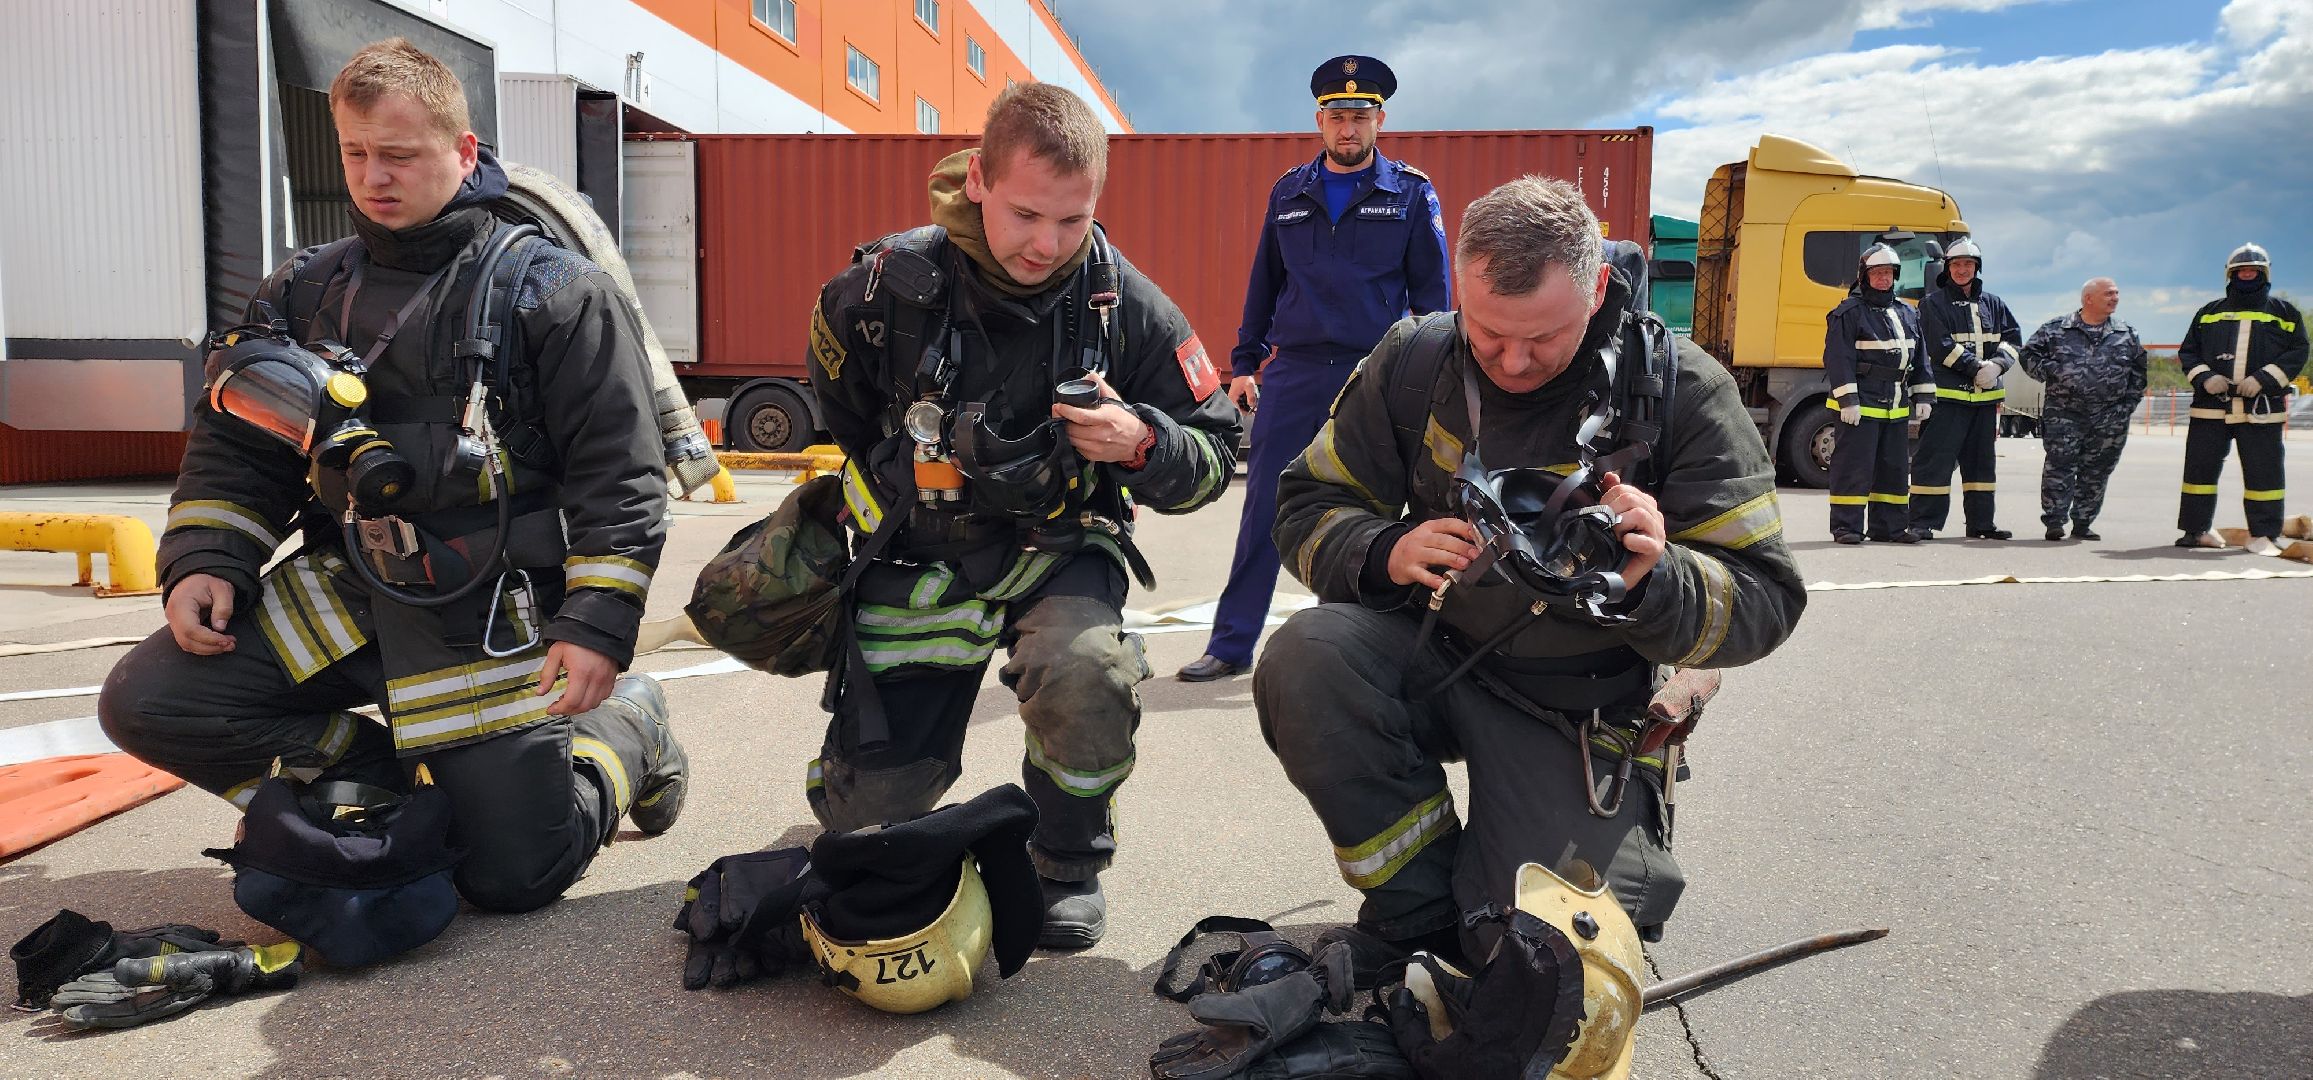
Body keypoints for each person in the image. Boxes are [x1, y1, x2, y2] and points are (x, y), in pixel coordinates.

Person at [98, 38, 684, 915]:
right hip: (349, 590)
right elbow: (239, 446)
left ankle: (625, 733)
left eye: (400, 155)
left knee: (511, 878)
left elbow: (619, 478)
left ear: (464, 153)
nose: (374, 177)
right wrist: (206, 560)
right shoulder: (300, 291)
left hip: (487, 610)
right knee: (152, 702)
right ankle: (392, 791)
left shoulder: (555, 294)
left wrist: (597, 625)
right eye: (356, 154)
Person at [1254, 176, 1805, 978]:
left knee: (1542, 967)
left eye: (1542, 338)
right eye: (1486, 333)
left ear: (1598, 289)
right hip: (1436, 658)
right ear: (1457, 291)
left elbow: (1765, 598)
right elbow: (1305, 504)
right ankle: (1418, 908)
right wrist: (1382, 551)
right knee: (1308, 655)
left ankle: (1510, 888)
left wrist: (1656, 578)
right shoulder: (1411, 362)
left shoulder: (1682, 390)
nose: (1511, 361)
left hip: (1579, 707)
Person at [804, 83, 1242, 948]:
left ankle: (1068, 856)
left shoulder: (1129, 308)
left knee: (1085, 669)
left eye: (1073, 222)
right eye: (1026, 215)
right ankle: (885, 788)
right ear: (977, 180)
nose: (1048, 245)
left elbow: (1216, 458)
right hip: (918, 549)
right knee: (864, 830)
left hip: (1061, 545)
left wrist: (1141, 441)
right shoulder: (876, 291)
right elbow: (847, 419)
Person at [1177, 54, 1450, 683]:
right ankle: (1232, 642)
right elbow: (1264, 284)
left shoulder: (1410, 193)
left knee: (1377, 507)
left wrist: (1433, 373)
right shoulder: (1289, 193)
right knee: (1267, 508)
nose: (1347, 128)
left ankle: (1357, 642)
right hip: (1295, 372)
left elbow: (1432, 296)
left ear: (1380, 118)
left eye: (1359, 115)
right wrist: (1243, 362)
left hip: (1376, 371)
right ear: (1319, 121)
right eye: (1336, 116)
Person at [2174, 243, 2307, 554]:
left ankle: (2264, 534)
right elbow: (2188, 352)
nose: (2247, 275)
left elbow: (2298, 352)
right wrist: (2206, 378)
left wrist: (2263, 379)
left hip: (2260, 409)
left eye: (2253, 270)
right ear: (2230, 275)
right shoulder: (2208, 313)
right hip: (2211, 408)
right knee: (2199, 472)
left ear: (2264, 274)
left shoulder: (2285, 314)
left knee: (2265, 472)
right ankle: (2196, 531)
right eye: (2241, 271)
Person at [2018, 278, 2149, 541]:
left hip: (2109, 416)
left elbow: (2139, 372)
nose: (2115, 298)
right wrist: (2052, 372)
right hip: (2065, 412)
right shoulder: (2057, 329)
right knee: (2059, 466)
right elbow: (2028, 355)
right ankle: (2054, 521)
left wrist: (2126, 406)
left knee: (2097, 470)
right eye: (2108, 294)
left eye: (2116, 293)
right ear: (2088, 299)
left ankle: (2083, 522)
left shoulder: (2126, 333)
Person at [1822, 243, 1934, 544]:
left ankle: (1890, 527)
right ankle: (1847, 527)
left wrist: (1923, 396)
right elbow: (1838, 359)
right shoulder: (1849, 313)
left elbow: (1920, 357)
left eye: (1888, 273)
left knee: (1894, 470)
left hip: (1895, 407)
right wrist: (1848, 400)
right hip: (1860, 406)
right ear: (1864, 276)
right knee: (1853, 469)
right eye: (1878, 272)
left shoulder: (1907, 313)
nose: (1884, 278)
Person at [1910, 237, 2020, 539]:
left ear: (1977, 268)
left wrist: (1998, 365)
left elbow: (2013, 339)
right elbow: (1940, 345)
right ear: (1947, 267)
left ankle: (1981, 523)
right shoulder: (1933, 304)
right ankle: (1922, 523)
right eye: (1957, 264)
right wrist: (1975, 368)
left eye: (1968, 264)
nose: (1962, 269)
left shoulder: (1994, 303)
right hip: (1948, 399)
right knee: (1934, 462)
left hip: (1985, 401)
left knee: (1981, 465)